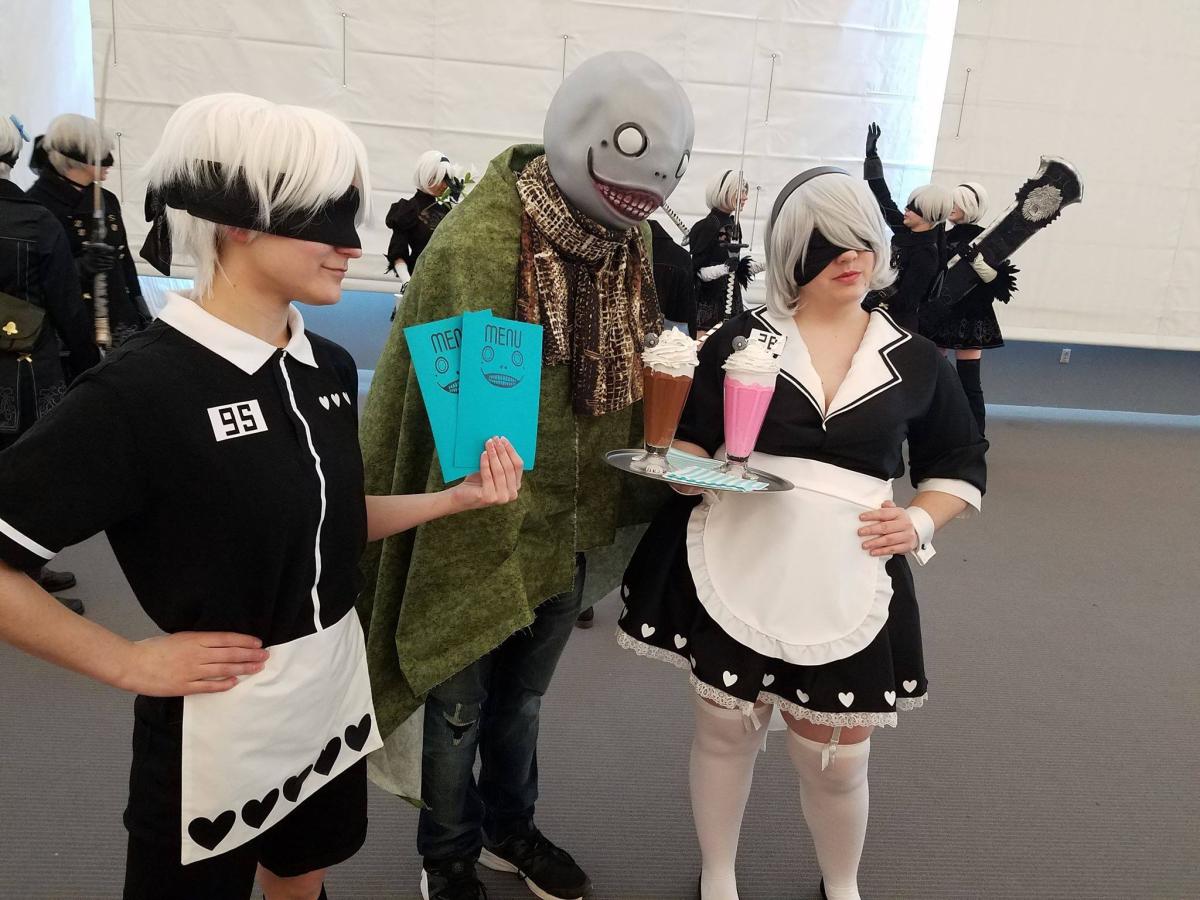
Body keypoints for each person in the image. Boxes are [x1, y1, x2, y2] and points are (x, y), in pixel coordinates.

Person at [0, 92, 524, 900]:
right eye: (327, 215)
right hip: (213, 726)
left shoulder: (328, 369)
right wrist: (125, 660)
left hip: (325, 699)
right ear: (238, 220)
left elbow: (328, 522)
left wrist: (452, 502)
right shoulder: (141, 391)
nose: (352, 245)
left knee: (300, 878)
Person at [358, 51, 694, 900]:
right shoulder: (484, 242)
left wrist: (657, 466)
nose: (652, 182)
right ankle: (448, 855)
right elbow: (464, 428)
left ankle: (511, 828)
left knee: (523, 703)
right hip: (477, 515)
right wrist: (478, 519)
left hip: (570, 522)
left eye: (670, 161)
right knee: (459, 701)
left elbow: (637, 366)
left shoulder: (635, 243)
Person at [616, 166, 987, 900]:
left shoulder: (914, 357)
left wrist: (917, 520)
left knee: (839, 759)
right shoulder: (739, 340)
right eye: (827, 247)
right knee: (725, 731)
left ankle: (840, 882)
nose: (851, 258)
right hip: (738, 553)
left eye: (859, 242)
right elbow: (690, 438)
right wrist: (686, 471)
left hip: (846, 570)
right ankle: (718, 873)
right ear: (792, 256)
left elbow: (960, 461)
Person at [0, 113, 100, 613]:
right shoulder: (35, 220)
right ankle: (23, 591)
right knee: (25, 479)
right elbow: (67, 305)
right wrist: (90, 368)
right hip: (25, 374)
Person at [26, 113, 150, 347]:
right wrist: (79, 267)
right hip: (69, 327)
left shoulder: (106, 200)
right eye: (101, 156)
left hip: (118, 318)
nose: (111, 162)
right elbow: (30, 277)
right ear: (77, 159)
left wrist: (139, 306)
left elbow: (125, 262)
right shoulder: (37, 206)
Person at [919, 182, 1017, 435]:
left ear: (971, 206)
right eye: (951, 202)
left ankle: (975, 434)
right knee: (933, 376)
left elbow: (999, 284)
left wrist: (976, 261)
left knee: (969, 381)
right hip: (939, 315)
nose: (951, 207)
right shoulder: (940, 235)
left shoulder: (989, 238)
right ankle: (930, 431)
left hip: (972, 317)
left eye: (957, 202)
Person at [862, 123, 953, 332]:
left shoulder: (927, 253)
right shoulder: (906, 232)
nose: (906, 210)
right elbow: (884, 199)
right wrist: (872, 157)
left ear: (929, 215)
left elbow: (907, 301)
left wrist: (878, 285)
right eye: (909, 206)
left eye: (914, 208)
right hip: (879, 313)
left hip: (897, 326)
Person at [690, 170, 754, 333]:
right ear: (726, 191)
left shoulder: (734, 225)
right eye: (741, 191)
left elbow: (738, 269)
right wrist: (724, 268)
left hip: (732, 301)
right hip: (709, 306)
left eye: (746, 192)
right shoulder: (708, 225)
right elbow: (697, 271)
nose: (745, 197)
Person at [384, 150, 460, 284]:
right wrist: (407, 282)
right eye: (440, 179)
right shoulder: (408, 210)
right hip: (420, 281)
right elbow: (398, 251)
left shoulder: (450, 207)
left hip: (450, 281)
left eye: (447, 179)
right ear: (427, 176)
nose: (445, 185)